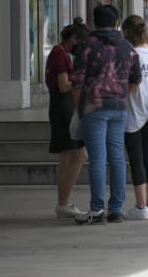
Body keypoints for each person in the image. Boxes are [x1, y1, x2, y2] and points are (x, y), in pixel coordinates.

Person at [73, 5, 142, 225]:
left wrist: (79, 109)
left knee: (98, 159)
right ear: (116, 22)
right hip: (119, 108)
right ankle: (116, 210)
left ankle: (97, 210)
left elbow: (77, 82)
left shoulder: (87, 45)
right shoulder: (127, 47)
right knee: (117, 158)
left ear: (94, 22)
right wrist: (120, 94)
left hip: (93, 108)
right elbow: (136, 80)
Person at [120, 15, 148, 221]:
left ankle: (140, 206)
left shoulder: (131, 54)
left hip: (132, 112)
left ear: (127, 33)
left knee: (136, 159)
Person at [46, 17, 90, 219]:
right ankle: (63, 202)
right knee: (79, 155)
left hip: (62, 107)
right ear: (73, 38)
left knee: (67, 156)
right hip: (63, 107)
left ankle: (63, 202)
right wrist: (83, 80)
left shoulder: (58, 53)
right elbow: (63, 85)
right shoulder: (60, 55)